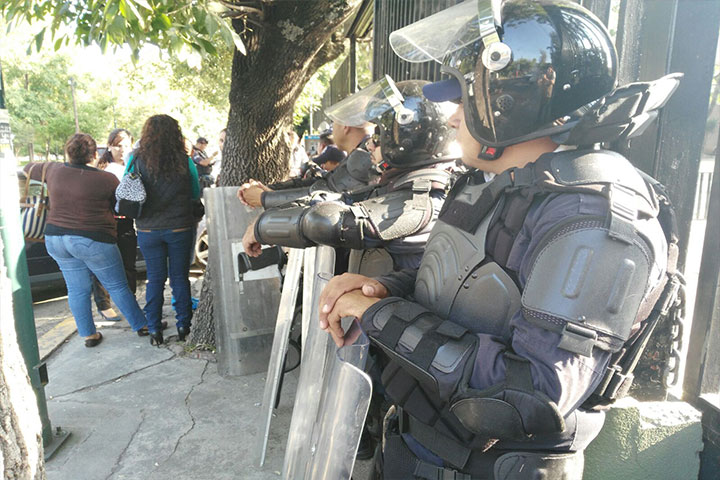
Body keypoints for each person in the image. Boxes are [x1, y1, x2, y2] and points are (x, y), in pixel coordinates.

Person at [318, 1, 675, 478]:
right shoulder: (501, 184)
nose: (451, 118)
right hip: (422, 446)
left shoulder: (591, 217)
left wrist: (377, 314)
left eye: (463, 100)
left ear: (508, 102)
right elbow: (467, 286)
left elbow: (531, 396)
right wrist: (383, 289)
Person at [243, 79, 458, 275]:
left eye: (379, 136)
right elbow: (339, 198)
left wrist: (261, 227)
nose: (370, 144)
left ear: (407, 142)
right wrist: (274, 208)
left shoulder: (420, 200)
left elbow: (329, 222)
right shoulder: (401, 186)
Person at [23, 133, 148, 347]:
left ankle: (89, 335)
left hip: (56, 238)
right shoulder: (106, 179)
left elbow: (28, 168)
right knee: (117, 285)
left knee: (76, 288)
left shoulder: (53, 169)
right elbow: (119, 207)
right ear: (94, 154)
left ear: (68, 152)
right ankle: (142, 325)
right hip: (93, 238)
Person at [127, 114, 201, 345]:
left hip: (148, 229)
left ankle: (154, 330)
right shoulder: (184, 160)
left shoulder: (136, 159)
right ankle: (184, 325)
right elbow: (195, 191)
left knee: (155, 279)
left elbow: (127, 187)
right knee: (179, 278)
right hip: (180, 226)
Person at [237, 103, 375, 208]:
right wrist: (269, 189)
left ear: (345, 126)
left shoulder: (362, 157)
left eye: (334, 122)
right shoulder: (359, 154)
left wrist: (264, 198)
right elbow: (323, 183)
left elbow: (330, 198)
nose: (333, 128)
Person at [91, 128, 137, 323]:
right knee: (104, 266)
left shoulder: (134, 165)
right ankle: (104, 305)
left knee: (129, 265)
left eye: (126, 145)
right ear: (109, 146)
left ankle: (131, 304)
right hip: (106, 222)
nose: (122, 149)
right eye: (117, 145)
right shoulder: (104, 170)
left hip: (127, 222)